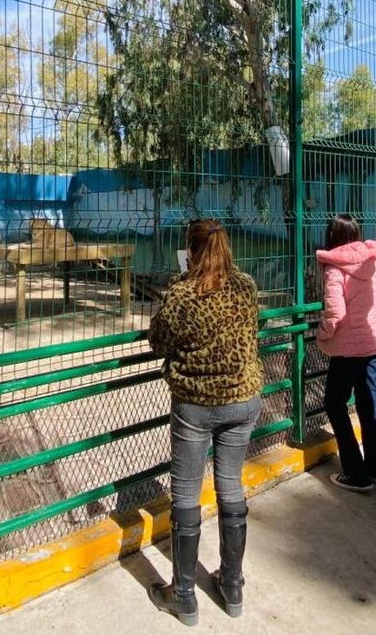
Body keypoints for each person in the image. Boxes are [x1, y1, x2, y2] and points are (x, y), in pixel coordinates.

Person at [147, 219, 264, 625]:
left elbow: (158, 340)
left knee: (185, 492)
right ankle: (232, 586)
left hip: (196, 404)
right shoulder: (245, 286)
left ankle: (183, 596)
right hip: (243, 398)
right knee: (230, 484)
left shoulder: (181, 294)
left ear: (191, 251)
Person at [315, 214, 376, 492]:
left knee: (334, 404)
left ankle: (356, 472)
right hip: (372, 342)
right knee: (370, 406)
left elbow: (335, 312)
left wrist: (323, 333)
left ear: (331, 236)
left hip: (347, 348)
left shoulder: (335, 267)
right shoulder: (372, 260)